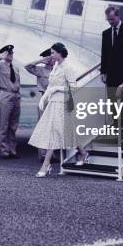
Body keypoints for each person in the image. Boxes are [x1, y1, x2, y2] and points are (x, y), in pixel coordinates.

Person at [28, 42, 88, 177]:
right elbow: (50, 84)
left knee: (54, 132)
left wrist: (57, 89)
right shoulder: (55, 66)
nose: (51, 55)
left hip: (63, 102)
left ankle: (46, 164)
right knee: (63, 131)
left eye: (53, 52)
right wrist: (44, 98)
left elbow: (73, 88)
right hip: (53, 102)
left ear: (60, 53)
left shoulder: (68, 67)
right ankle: (83, 152)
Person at [0, 44, 21, 159]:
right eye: (9, 53)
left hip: (16, 96)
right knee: (5, 125)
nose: (11, 55)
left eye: (12, 53)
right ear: (4, 54)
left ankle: (13, 150)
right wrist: (1, 57)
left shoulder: (15, 68)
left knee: (13, 126)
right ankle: (5, 151)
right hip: (6, 95)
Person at [24, 48, 55, 162]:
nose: (53, 59)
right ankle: (42, 154)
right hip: (45, 99)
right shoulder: (40, 70)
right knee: (43, 127)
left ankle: (51, 154)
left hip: (55, 100)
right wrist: (40, 61)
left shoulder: (56, 70)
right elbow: (27, 66)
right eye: (50, 58)